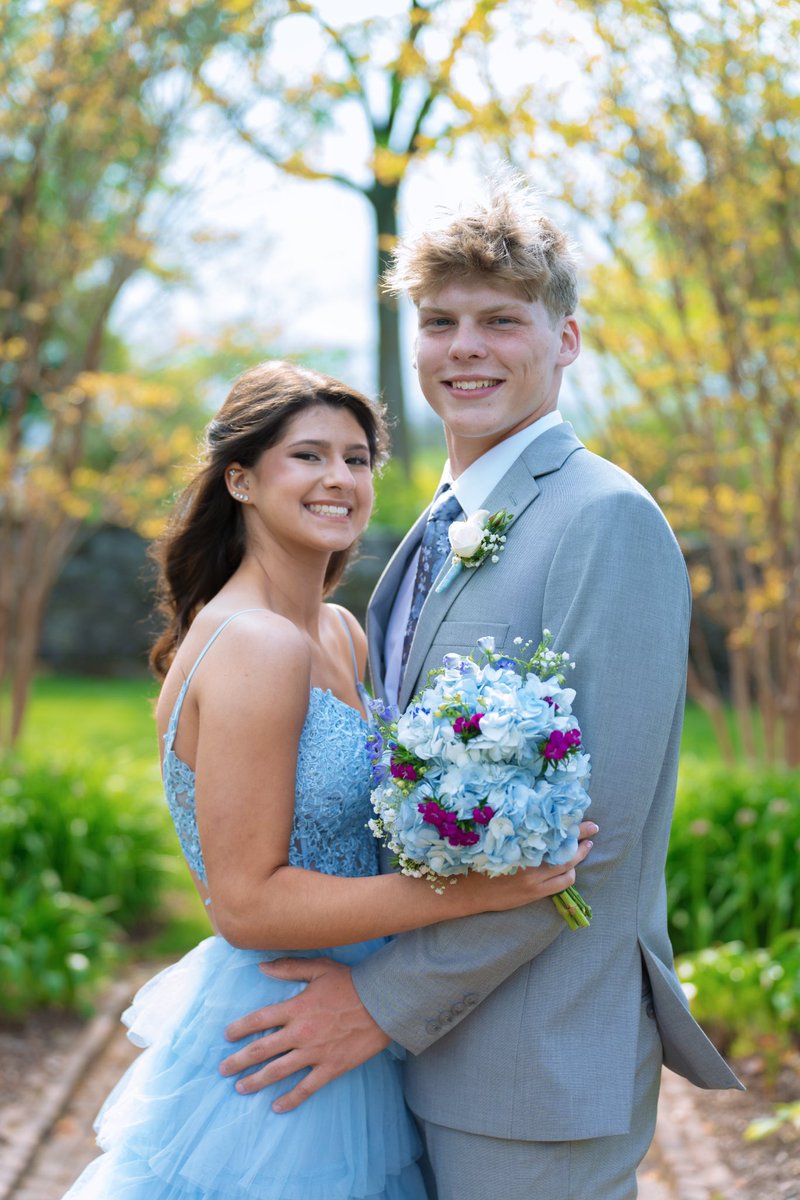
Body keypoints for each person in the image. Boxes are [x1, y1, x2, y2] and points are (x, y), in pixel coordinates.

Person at [218, 186, 742, 1200]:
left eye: (501, 319)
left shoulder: (602, 522)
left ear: (566, 338)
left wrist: (379, 1003)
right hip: (423, 1063)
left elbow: (595, 837)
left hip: (530, 1068)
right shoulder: (435, 521)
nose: (466, 347)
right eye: (440, 321)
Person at [60, 359, 596, 1200]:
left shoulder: (340, 632)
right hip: (287, 1034)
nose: (339, 479)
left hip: (362, 1007)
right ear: (240, 478)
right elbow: (246, 903)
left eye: (357, 458)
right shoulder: (254, 645)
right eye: (307, 456)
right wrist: (481, 890)